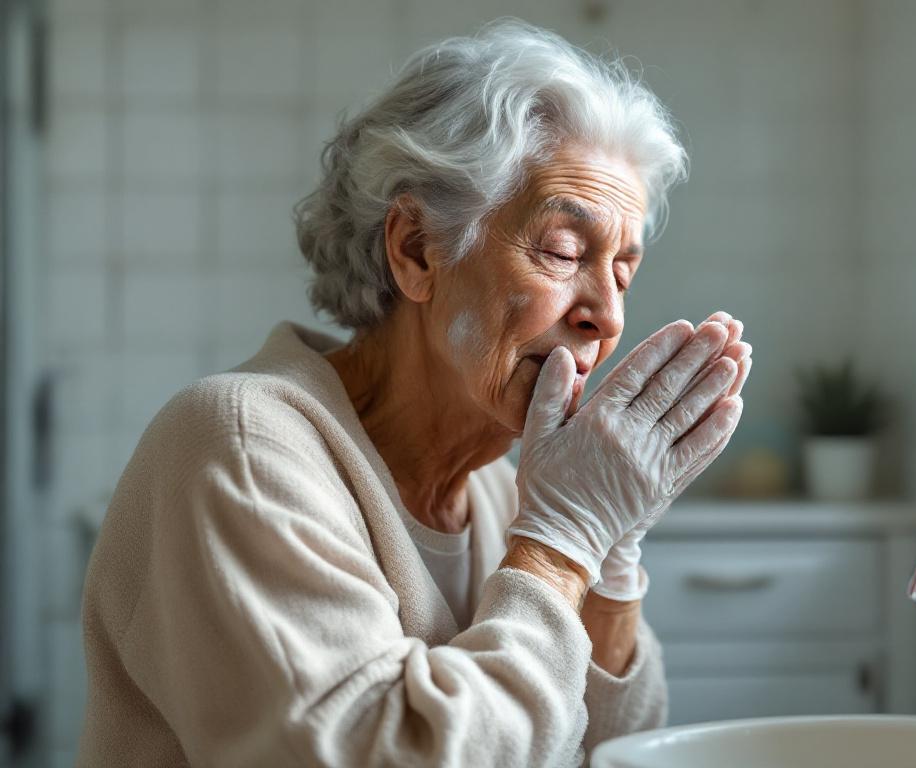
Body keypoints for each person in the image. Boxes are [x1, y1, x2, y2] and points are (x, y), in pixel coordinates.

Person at [78, 20, 751, 767]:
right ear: (417, 250)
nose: (610, 313)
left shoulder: (505, 497)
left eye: (623, 271)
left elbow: (615, 751)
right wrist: (563, 548)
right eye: (562, 251)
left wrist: (610, 557)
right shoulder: (239, 445)